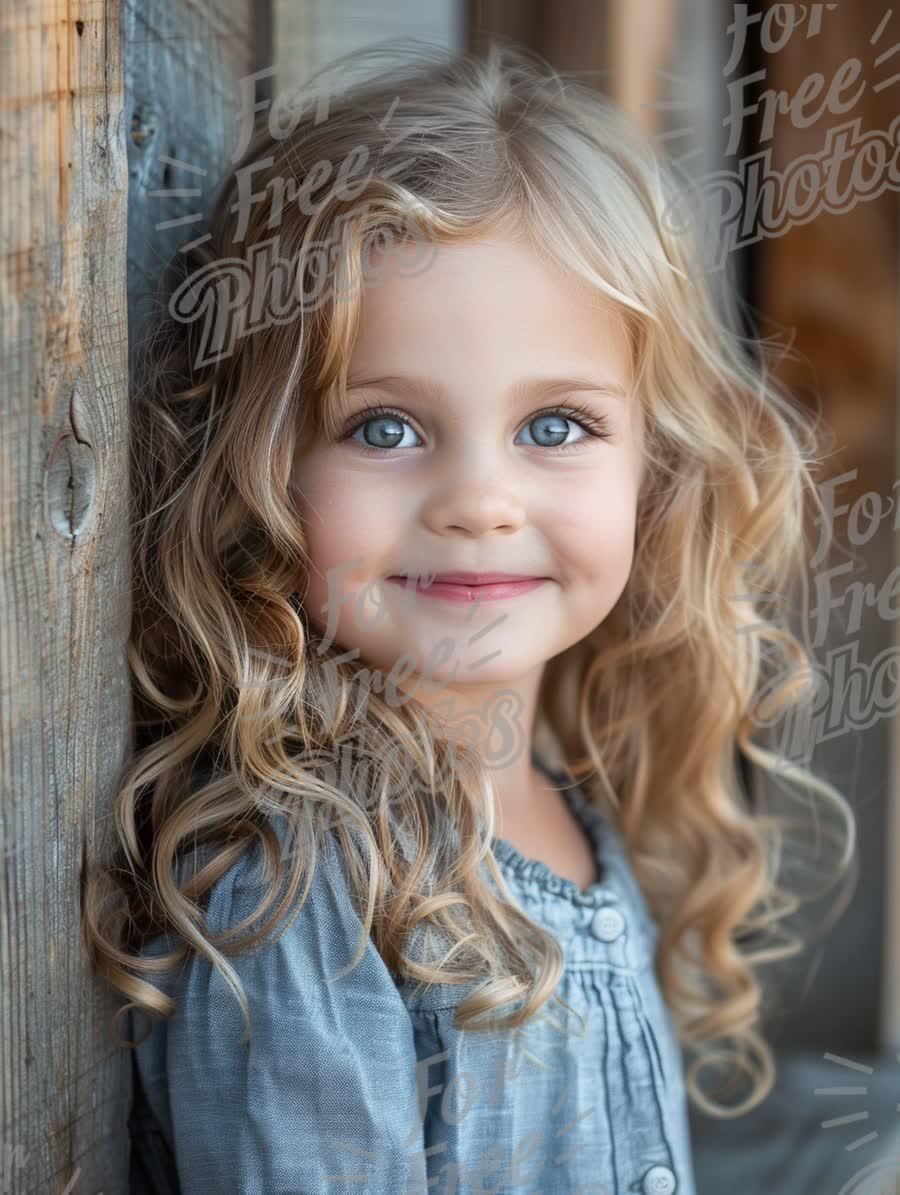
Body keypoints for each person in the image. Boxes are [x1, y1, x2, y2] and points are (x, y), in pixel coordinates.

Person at [82, 41, 855, 1195]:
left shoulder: (570, 805)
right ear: (261, 465)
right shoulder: (303, 887)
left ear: (660, 465)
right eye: (385, 428)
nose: (480, 503)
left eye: (556, 425)